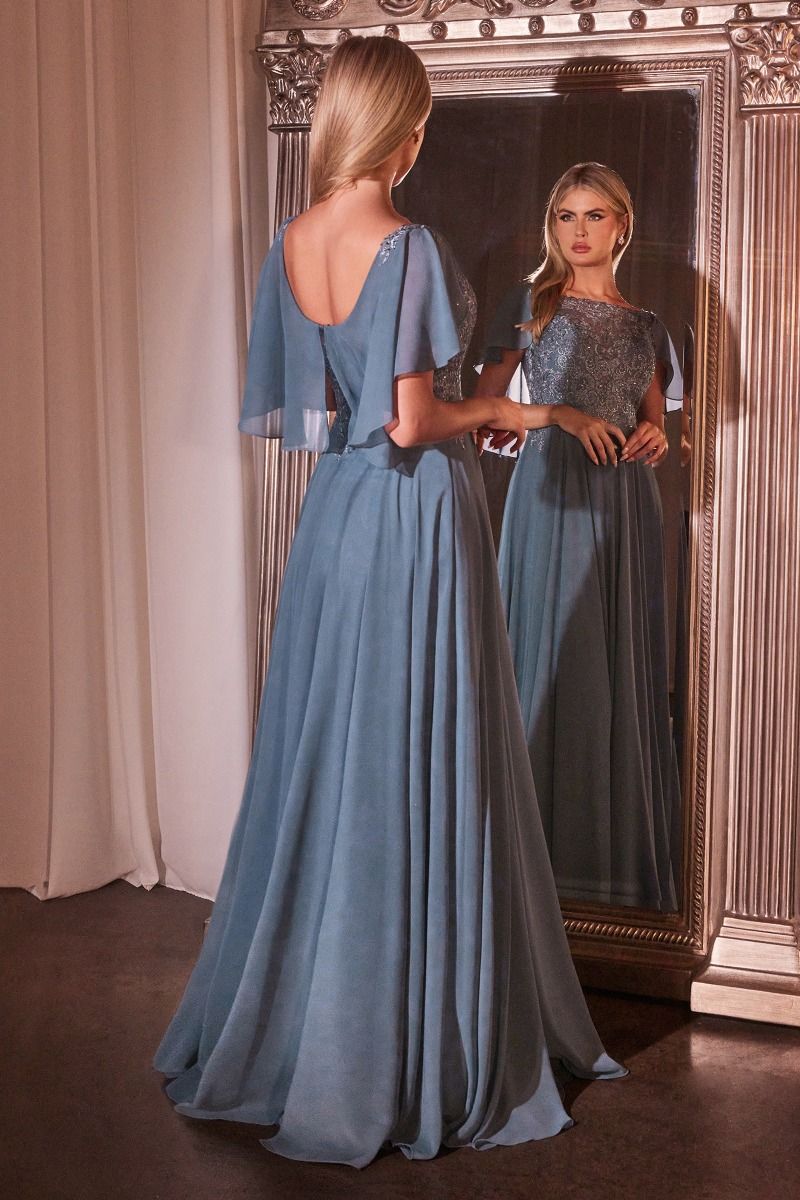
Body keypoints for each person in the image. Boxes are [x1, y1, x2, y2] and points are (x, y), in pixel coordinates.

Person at [154, 45, 625, 1168]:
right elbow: (411, 421)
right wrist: (514, 413)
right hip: (415, 515)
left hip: (338, 517)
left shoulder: (294, 239)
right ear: (404, 130)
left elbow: (328, 411)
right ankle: (404, 1042)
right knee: (415, 752)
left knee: (337, 758)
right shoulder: (404, 243)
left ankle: (311, 1023)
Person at [475, 162, 682, 912]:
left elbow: (654, 418)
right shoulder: (529, 304)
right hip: (552, 493)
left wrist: (658, 435)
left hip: (624, 500)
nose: (579, 231)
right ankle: (529, 873)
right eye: (566, 216)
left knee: (613, 666)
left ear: (622, 225)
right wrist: (554, 416)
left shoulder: (646, 325)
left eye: (595, 215)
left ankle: (607, 876)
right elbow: (484, 408)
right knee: (551, 655)